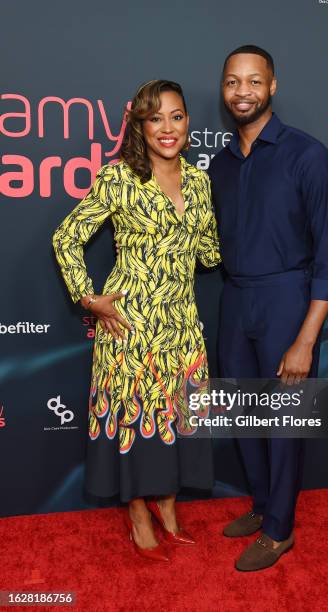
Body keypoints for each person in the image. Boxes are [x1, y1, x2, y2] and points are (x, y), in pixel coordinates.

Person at [52, 79, 221, 563]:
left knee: (177, 419)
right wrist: (90, 298)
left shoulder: (199, 180)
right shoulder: (118, 177)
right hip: (131, 327)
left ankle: (168, 504)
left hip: (183, 327)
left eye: (177, 116)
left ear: (188, 122)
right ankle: (139, 512)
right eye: (155, 118)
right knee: (137, 419)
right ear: (140, 126)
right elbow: (67, 237)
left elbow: (208, 250)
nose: (167, 128)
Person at [207, 46, 328, 572]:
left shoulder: (308, 155)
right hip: (236, 299)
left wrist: (305, 338)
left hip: (288, 300)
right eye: (232, 82)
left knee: (285, 419)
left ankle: (279, 530)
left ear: (273, 87)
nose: (242, 91)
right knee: (243, 415)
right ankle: (262, 505)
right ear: (223, 90)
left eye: (253, 81)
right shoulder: (220, 165)